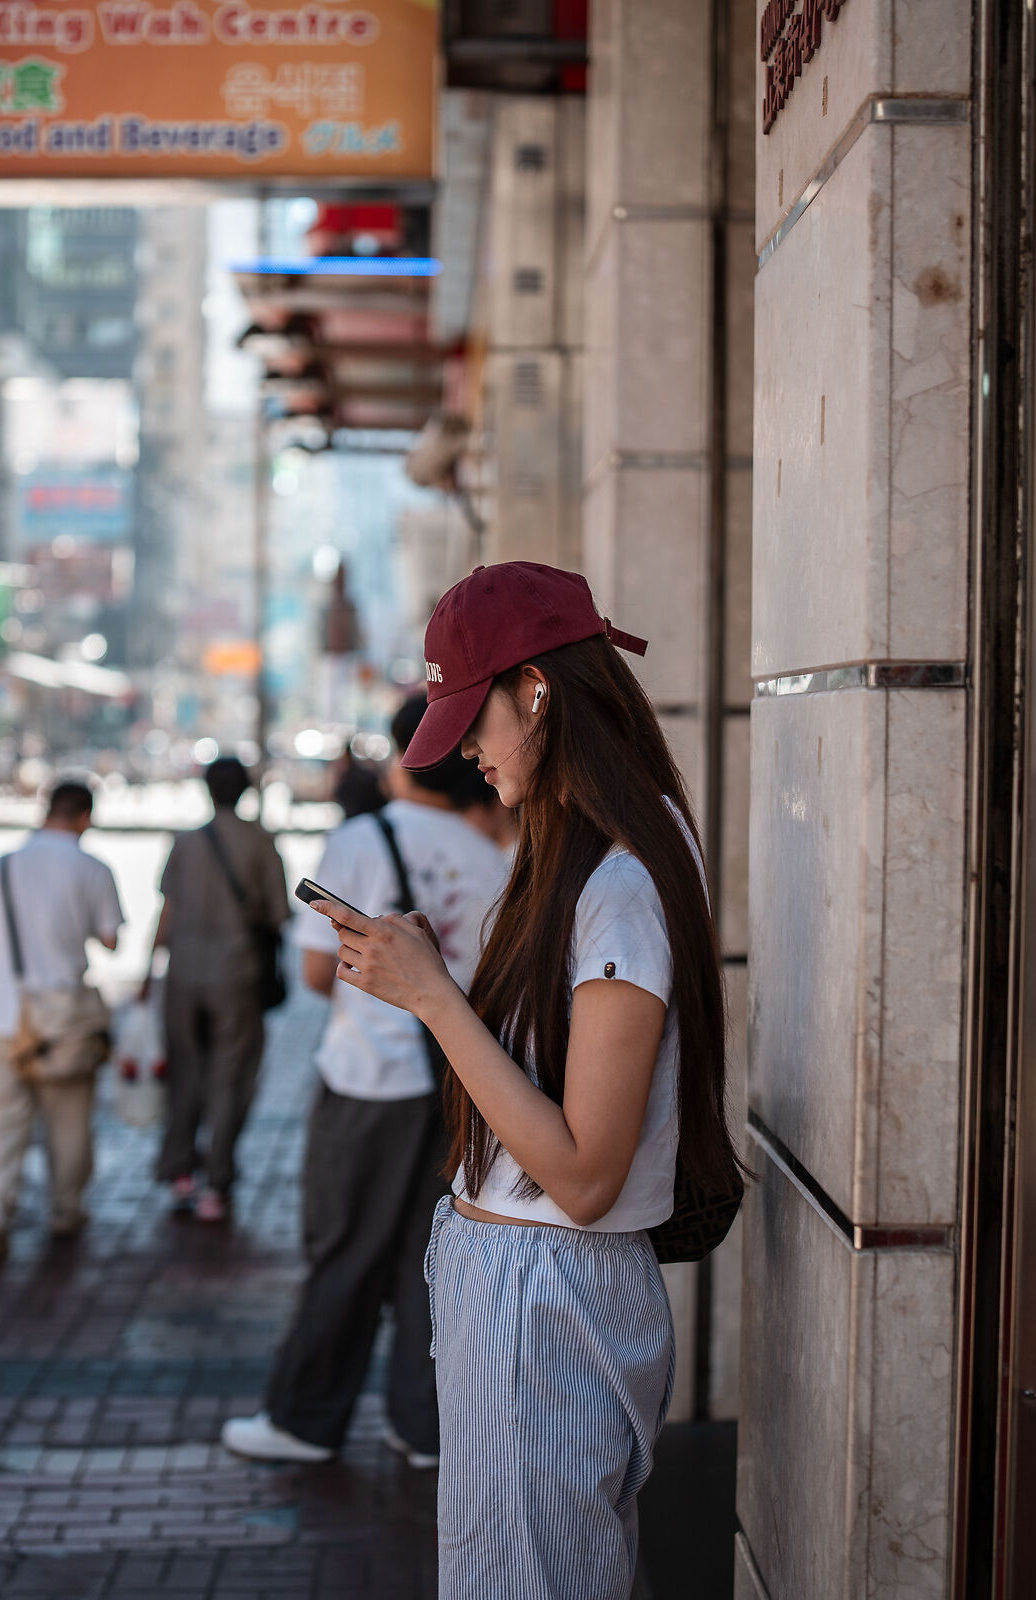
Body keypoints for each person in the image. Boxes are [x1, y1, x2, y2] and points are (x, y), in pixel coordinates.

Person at [308, 563, 740, 1600]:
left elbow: (586, 1173)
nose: (464, 750)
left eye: (473, 717)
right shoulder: (609, 847)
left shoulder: (618, 878)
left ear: (537, 689)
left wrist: (435, 999)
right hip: (532, 1288)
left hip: (541, 1291)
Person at [222, 694, 511, 1471]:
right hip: (464, 1084)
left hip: (369, 1080)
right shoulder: (496, 851)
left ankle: (305, 1420)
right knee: (432, 1258)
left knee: (344, 1246)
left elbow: (322, 972)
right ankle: (424, 1428)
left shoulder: (362, 838)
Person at [0, 779, 124, 1263]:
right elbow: (110, 940)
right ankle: (65, 1212)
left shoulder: (2, 865)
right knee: (69, 1123)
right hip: (64, 1022)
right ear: (85, 817)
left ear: (46, 811)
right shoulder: (93, 868)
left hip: (2, 1020)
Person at [146, 756, 290, 1223]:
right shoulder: (262, 841)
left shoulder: (185, 842)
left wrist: (149, 968)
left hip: (184, 972)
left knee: (185, 1070)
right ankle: (217, 1182)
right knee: (232, 1074)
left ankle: (179, 1172)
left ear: (206, 790)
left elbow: (166, 913)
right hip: (237, 974)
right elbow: (278, 916)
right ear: (247, 790)